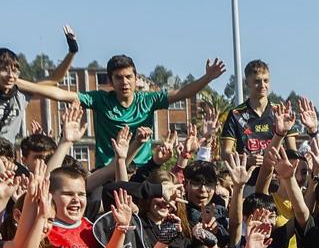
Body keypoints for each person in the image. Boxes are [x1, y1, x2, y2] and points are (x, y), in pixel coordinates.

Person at [17, 54, 226, 166]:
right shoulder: (99, 99)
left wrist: (208, 77)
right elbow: (59, 94)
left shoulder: (148, 100)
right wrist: (16, 82)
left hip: (142, 167)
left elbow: (183, 93)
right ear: (110, 81)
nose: (124, 82)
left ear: (136, 78)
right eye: (118, 77)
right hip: (107, 169)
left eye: (129, 77)